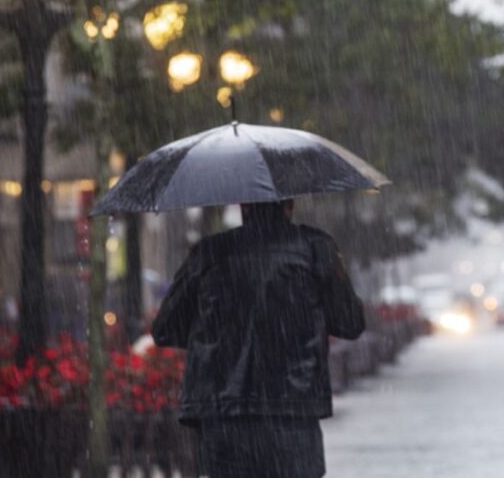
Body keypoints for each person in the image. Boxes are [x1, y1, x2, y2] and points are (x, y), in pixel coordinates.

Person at [153, 200, 365, 478]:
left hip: (225, 417)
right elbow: (350, 323)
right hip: (293, 415)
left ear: (243, 207)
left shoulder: (208, 252)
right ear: (289, 206)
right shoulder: (315, 248)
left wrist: (215, 337)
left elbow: (166, 328)